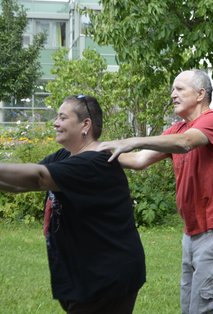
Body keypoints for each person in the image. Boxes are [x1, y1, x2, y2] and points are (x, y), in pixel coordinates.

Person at [97, 69, 213, 314]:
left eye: (179, 89)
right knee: (189, 306)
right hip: (192, 230)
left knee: (204, 307)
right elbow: (140, 160)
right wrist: (94, 155)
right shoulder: (176, 130)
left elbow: (186, 143)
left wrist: (134, 139)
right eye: (173, 89)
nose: (172, 94)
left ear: (200, 94)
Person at [0, 95, 146, 313]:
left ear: (85, 124)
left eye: (62, 117)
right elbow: (21, 183)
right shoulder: (66, 155)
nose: (55, 123)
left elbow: (38, 177)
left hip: (108, 276)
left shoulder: (95, 162)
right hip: (86, 272)